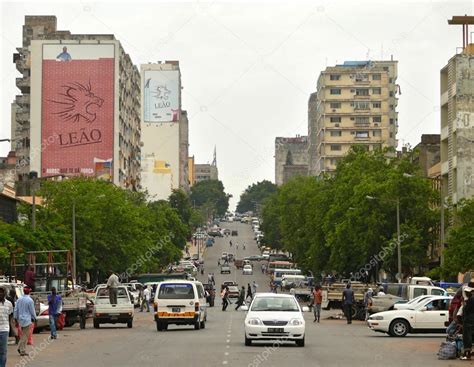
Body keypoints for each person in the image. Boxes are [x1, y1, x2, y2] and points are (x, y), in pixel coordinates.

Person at [14, 288, 36, 356]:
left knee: (23, 334)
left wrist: (15, 318)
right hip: (27, 319)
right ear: (29, 292)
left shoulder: (19, 299)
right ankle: (21, 349)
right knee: (25, 335)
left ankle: (21, 349)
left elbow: (16, 309)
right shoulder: (30, 300)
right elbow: (32, 310)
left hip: (20, 319)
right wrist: (35, 318)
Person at [0, 287, 13, 367]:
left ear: (5, 293)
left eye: (2, 292)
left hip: (4, 329)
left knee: (3, 351)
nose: (0, 294)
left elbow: (10, 316)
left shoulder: (9, 304)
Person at [461, 286, 474, 360]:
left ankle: (467, 353)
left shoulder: (470, 300)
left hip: (469, 320)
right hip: (470, 319)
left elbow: (466, 310)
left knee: (467, 336)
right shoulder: (470, 299)